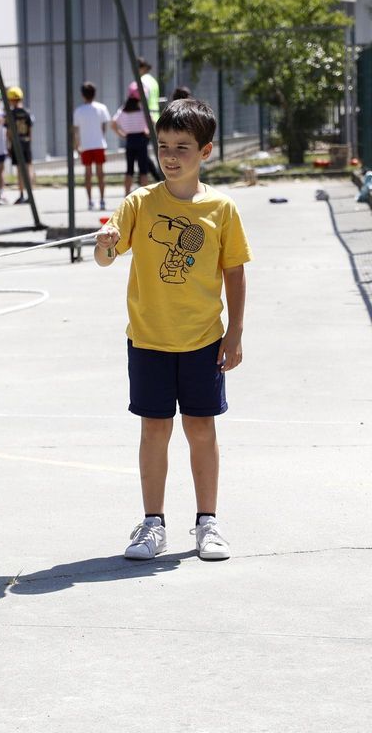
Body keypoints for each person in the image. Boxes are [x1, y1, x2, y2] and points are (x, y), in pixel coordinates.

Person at [94, 98, 250, 563]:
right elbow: (106, 257)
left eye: (183, 146)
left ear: (206, 151)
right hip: (148, 339)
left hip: (203, 339)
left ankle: (208, 523)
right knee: (154, 430)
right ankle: (152, 524)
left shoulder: (221, 208)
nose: (170, 155)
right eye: (164, 145)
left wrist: (235, 332)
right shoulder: (139, 202)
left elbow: (236, 271)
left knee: (201, 429)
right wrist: (104, 245)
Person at [72, 81, 111, 211]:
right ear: (94, 94)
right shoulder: (101, 108)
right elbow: (104, 126)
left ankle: (90, 201)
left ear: (83, 95)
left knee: (88, 174)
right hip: (99, 144)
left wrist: (77, 146)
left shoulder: (78, 111)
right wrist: (101, 137)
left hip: (86, 146)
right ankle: (102, 200)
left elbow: (76, 131)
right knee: (101, 174)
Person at [112, 84, 158, 196]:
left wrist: (122, 134)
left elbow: (113, 123)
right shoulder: (142, 109)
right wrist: (149, 133)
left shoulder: (123, 109)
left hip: (129, 139)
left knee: (129, 170)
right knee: (143, 170)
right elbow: (154, 122)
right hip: (141, 139)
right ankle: (144, 196)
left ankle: (126, 195)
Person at [6, 86, 35, 204]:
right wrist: (29, 142)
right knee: (28, 168)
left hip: (16, 143)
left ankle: (22, 194)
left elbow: (9, 132)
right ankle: (30, 194)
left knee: (19, 169)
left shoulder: (11, 114)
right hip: (26, 141)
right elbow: (30, 129)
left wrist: (8, 144)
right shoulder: (27, 112)